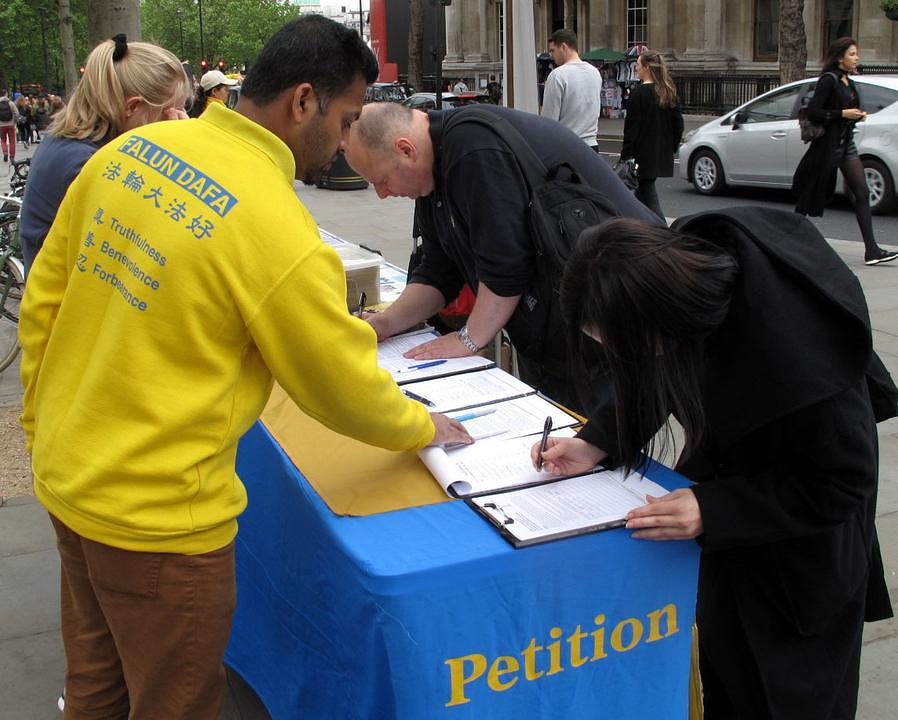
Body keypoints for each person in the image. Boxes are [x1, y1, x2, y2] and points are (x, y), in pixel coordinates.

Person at [20, 15, 471, 720]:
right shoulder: (274, 224)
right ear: (302, 102)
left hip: (70, 476)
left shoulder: (132, 153)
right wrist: (421, 425)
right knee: (176, 703)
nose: (347, 142)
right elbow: (337, 384)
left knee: (96, 688)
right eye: (347, 117)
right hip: (161, 524)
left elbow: (44, 297)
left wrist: (41, 425)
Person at [536, 209, 895, 719]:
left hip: (800, 556)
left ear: (667, 319)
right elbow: (655, 370)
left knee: (784, 695)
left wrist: (714, 508)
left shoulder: (801, 356)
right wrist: (598, 440)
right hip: (732, 526)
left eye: (621, 341)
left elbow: (842, 481)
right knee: (725, 673)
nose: (618, 354)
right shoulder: (681, 273)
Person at [344, 101, 661, 413]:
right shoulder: (434, 171)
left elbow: (506, 267)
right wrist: (387, 322)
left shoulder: (473, 149)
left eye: (381, 180)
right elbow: (440, 270)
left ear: (406, 150)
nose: (382, 194)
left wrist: (468, 340)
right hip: (555, 329)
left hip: (613, 321)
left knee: (599, 448)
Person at [19, 34, 191, 276]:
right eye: (170, 112)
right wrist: (178, 156)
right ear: (133, 107)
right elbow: (146, 239)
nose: (180, 120)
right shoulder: (87, 163)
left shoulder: (71, 142)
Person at [793, 37, 897, 266]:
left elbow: (847, 109)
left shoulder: (847, 81)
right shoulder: (828, 80)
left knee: (862, 192)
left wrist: (856, 114)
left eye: (856, 54)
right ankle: (789, 241)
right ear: (840, 58)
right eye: (852, 54)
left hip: (845, 143)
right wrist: (842, 114)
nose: (856, 58)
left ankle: (872, 251)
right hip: (827, 146)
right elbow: (813, 112)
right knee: (811, 194)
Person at [619, 49, 684, 220]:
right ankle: (641, 233)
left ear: (647, 67)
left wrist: (625, 157)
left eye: (638, 64)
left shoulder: (639, 93)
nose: (635, 68)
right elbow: (678, 125)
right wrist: (671, 148)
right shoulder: (667, 91)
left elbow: (631, 130)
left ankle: (664, 234)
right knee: (640, 199)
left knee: (649, 200)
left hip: (641, 157)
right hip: (659, 155)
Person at [541, 28, 602, 151]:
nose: (551, 56)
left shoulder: (557, 75)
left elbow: (549, 121)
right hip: (592, 146)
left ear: (563, 47)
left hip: (567, 146)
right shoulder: (595, 72)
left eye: (553, 50)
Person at [0, 89, 19, 163]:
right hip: (11, 124)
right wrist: (15, 121)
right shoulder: (11, 103)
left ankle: (5, 152)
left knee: (3, 140)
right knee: (12, 141)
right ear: (6, 94)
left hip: (1, 125)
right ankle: (12, 157)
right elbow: (16, 113)